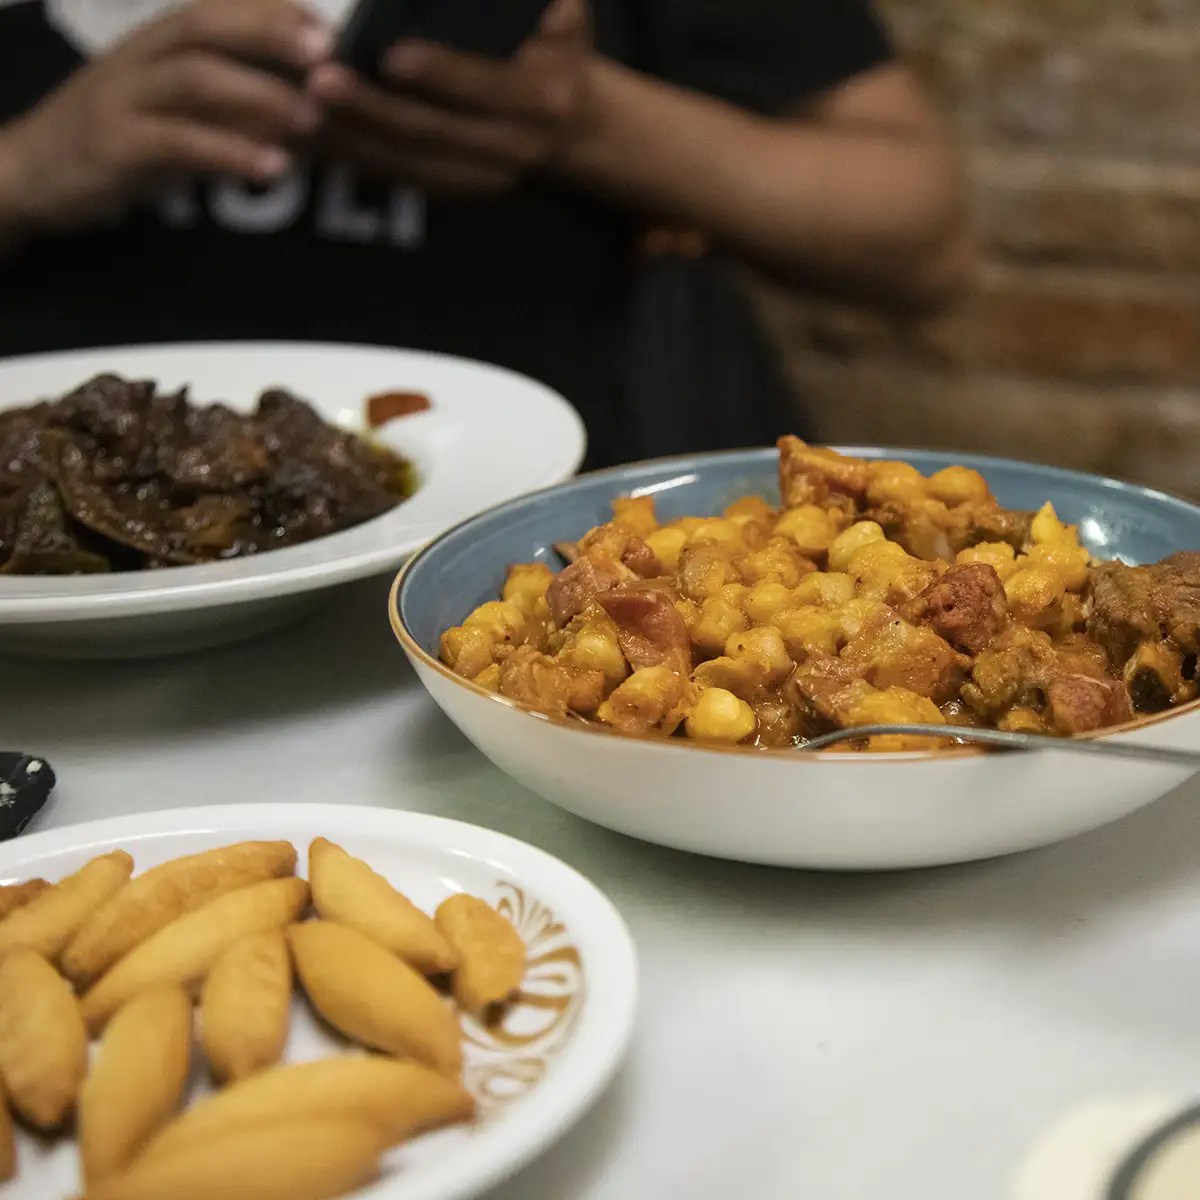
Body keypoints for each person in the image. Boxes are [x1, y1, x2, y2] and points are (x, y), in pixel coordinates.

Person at [0, 0, 970, 467]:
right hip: (46, 585)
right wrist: (28, 168)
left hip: (528, 565)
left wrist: (586, 121)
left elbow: (917, 234)